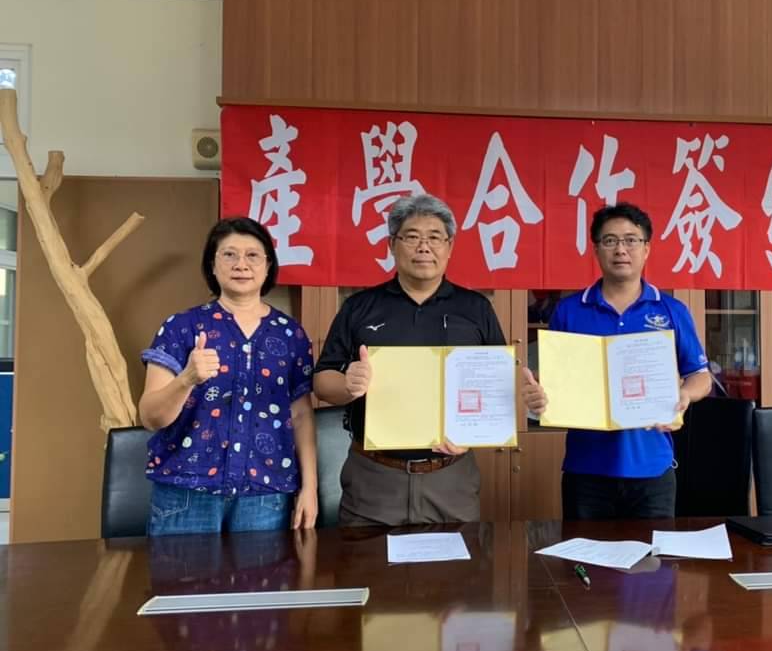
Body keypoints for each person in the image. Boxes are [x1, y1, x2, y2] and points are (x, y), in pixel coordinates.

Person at [313, 194, 506, 526]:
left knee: (456, 560)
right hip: (374, 476)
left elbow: (497, 386)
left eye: (435, 237)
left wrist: (474, 435)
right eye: (412, 236)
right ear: (392, 244)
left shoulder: (476, 309)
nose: (424, 247)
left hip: (450, 477)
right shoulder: (360, 307)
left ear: (449, 246)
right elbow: (322, 381)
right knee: (366, 558)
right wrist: (349, 385)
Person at [521, 202, 712, 520]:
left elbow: (701, 376)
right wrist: (538, 395)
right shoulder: (569, 311)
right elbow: (555, 381)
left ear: (647, 248)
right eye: (610, 240)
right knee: (584, 553)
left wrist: (685, 394)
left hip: (653, 468)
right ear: (596, 250)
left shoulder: (671, 310)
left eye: (631, 240)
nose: (621, 249)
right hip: (586, 470)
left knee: (654, 553)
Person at [138, 217, 318, 535]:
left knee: (261, 572)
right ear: (213, 264)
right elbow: (151, 417)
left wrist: (310, 487)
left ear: (268, 266)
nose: (241, 264)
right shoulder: (181, 327)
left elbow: (301, 415)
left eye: (253, 255)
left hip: (265, 494)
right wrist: (186, 378)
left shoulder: (290, 334)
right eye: (229, 254)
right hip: (187, 492)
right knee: (181, 571)